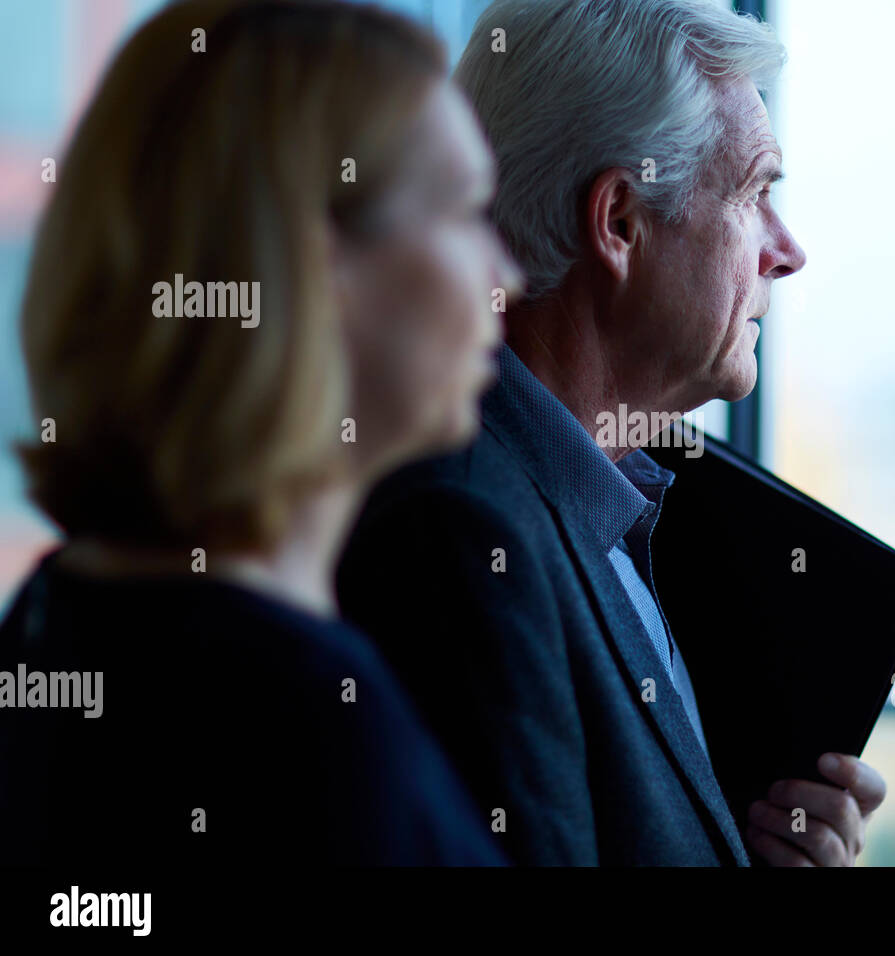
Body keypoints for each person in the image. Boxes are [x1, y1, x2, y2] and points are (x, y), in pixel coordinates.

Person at [337, 0, 885, 866]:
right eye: (754, 191)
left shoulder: (615, 506)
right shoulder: (464, 539)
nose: (787, 250)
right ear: (621, 221)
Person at [0, 0, 521, 865]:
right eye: (468, 213)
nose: (506, 273)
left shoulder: (51, 621)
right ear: (317, 264)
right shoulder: (311, 729)